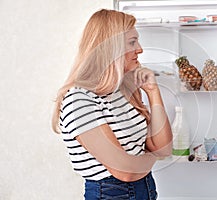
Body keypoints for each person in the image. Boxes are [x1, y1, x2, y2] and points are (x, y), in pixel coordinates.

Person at [51, 9, 173, 200]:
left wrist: (153, 92)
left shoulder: (123, 91)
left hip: (145, 190)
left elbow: (163, 148)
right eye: (132, 42)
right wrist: (151, 157)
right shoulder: (79, 100)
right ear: (111, 48)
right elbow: (125, 172)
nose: (140, 49)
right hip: (112, 194)